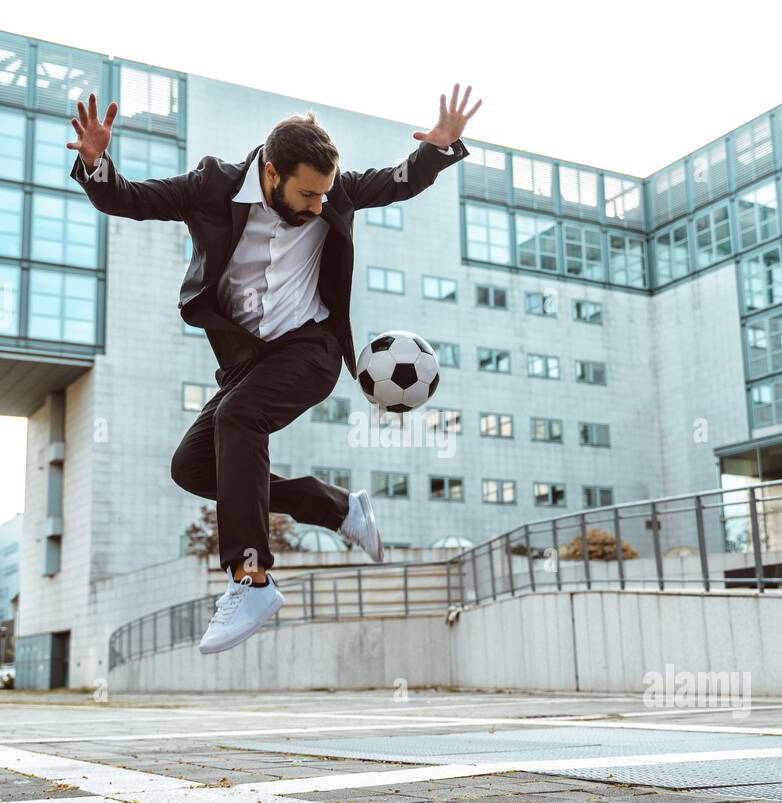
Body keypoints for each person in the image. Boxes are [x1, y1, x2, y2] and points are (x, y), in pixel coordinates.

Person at [68, 85, 481, 654]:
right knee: (192, 468)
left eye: (325, 195)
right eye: (307, 195)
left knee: (239, 419)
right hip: (247, 362)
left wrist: (438, 148)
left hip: (311, 351)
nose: (319, 206)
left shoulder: (333, 195)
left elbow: (398, 181)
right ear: (269, 171)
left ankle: (251, 577)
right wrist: (96, 165)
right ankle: (337, 507)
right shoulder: (210, 187)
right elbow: (131, 199)